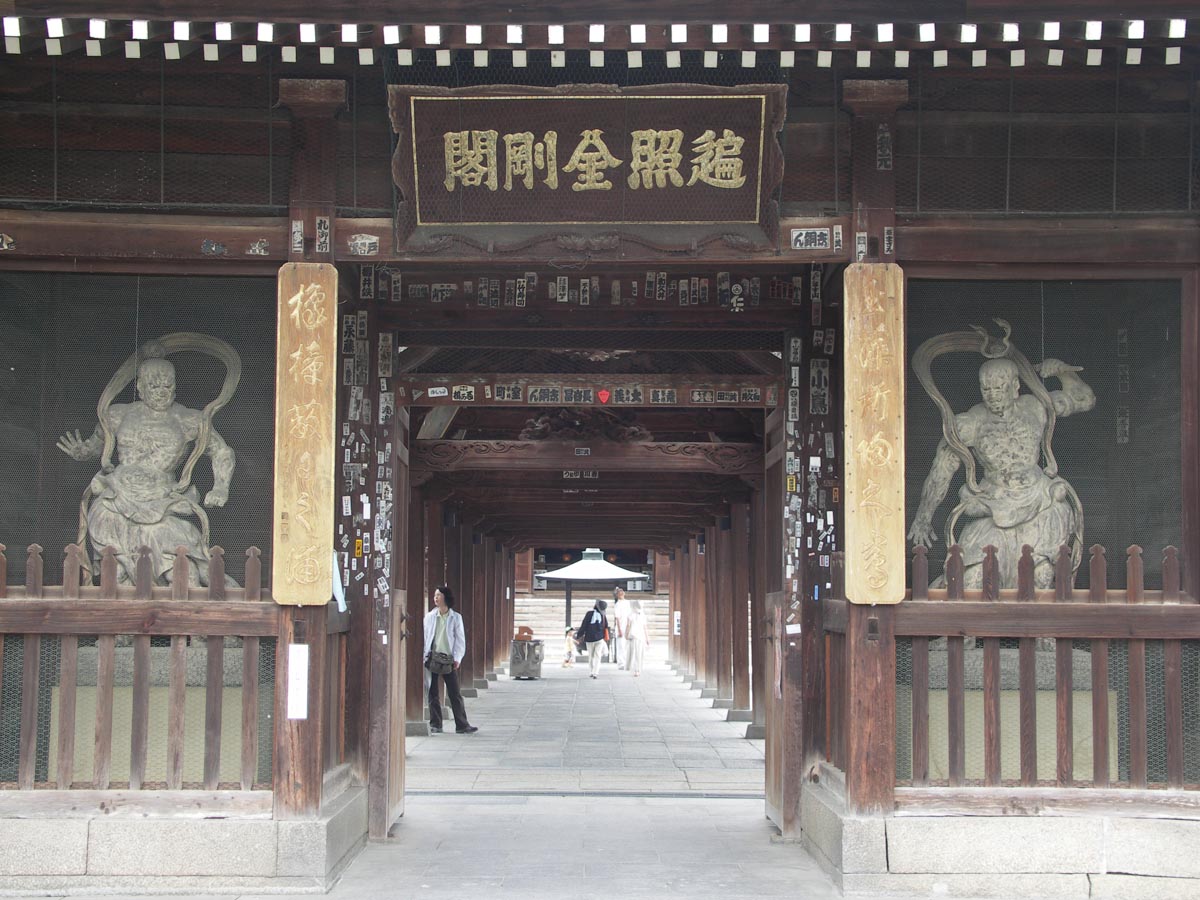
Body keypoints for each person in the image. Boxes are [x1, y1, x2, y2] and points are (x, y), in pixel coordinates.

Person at [908, 355, 1095, 589]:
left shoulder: (1037, 407)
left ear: (1015, 386)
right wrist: (923, 518)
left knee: (1041, 578)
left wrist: (1062, 372)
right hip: (991, 505)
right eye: (986, 389)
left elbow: (1085, 400)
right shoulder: (970, 423)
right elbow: (942, 468)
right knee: (973, 580)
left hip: (1039, 502)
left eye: (1000, 388)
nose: (993, 395)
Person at [58, 348, 235, 586]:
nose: (162, 393)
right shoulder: (118, 414)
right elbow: (96, 445)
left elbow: (222, 451)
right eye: (154, 387)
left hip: (161, 498)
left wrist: (221, 487)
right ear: (140, 387)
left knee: (178, 557)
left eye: (168, 386)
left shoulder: (189, 419)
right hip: (116, 496)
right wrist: (84, 452)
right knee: (116, 567)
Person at [422, 585, 478, 734]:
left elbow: (460, 639)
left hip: (448, 659)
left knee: (455, 693)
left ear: (445, 597)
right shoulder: (429, 617)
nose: (435, 598)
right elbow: (425, 637)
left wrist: (458, 657)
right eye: (434, 595)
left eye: (438, 595)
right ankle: (436, 724)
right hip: (432, 657)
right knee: (432, 693)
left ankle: (462, 724)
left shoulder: (455, 617)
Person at [577, 599, 608, 679]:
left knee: (591, 656)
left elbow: (584, 625)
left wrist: (579, 635)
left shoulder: (589, 614)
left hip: (589, 638)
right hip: (599, 638)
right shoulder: (603, 616)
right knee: (598, 656)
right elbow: (606, 626)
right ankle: (595, 672)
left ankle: (591, 671)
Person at [624, 599, 650, 676]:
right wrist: (647, 638)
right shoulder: (643, 615)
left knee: (633, 653)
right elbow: (645, 627)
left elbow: (628, 626)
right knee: (640, 654)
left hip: (633, 636)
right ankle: (638, 669)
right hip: (641, 637)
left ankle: (634, 669)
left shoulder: (630, 615)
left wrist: (626, 634)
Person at [611, 585, 631, 669]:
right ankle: (621, 663)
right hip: (621, 626)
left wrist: (629, 625)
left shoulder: (628, 602)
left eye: (622, 591)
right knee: (621, 646)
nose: (622, 593)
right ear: (617, 595)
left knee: (627, 645)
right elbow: (617, 618)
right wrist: (619, 629)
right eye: (619, 592)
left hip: (628, 625)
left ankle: (627, 662)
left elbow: (630, 615)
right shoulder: (617, 604)